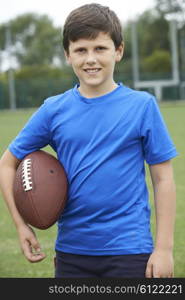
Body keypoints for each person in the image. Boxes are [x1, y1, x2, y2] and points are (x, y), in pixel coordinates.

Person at [0, 3, 178, 278]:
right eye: (81, 50)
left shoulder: (142, 106)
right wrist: (22, 225)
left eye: (100, 49)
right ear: (67, 55)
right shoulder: (53, 110)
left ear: (118, 51)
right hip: (72, 253)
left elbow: (163, 179)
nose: (90, 59)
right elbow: (7, 164)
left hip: (129, 251)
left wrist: (164, 248)